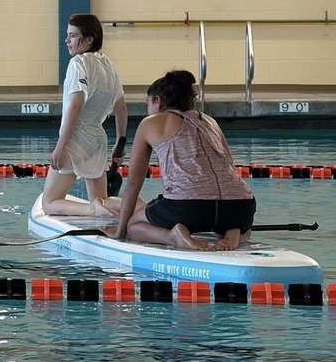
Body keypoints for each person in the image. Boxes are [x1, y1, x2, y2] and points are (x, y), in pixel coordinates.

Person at [103, 70, 256, 251]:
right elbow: (229, 165)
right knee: (235, 221)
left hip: (187, 208)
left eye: (147, 103)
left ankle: (173, 236)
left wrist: (120, 231)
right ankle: (234, 232)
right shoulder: (210, 122)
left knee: (134, 225)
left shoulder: (151, 122)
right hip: (241, 207)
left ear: (157, 101)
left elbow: (134, 184)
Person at [43, 13, 128, 218]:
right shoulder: (107, 64)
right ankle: (133, 207)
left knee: (49, 202)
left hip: (74, 139)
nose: (67, 41)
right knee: (102, 199)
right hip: (97, 140)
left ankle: (91, 210)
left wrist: (61, 146)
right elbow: (122, 109)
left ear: (89, 39)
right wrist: (120, 142)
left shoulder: (78, 64)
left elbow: (75, 106)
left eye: (72, 36)